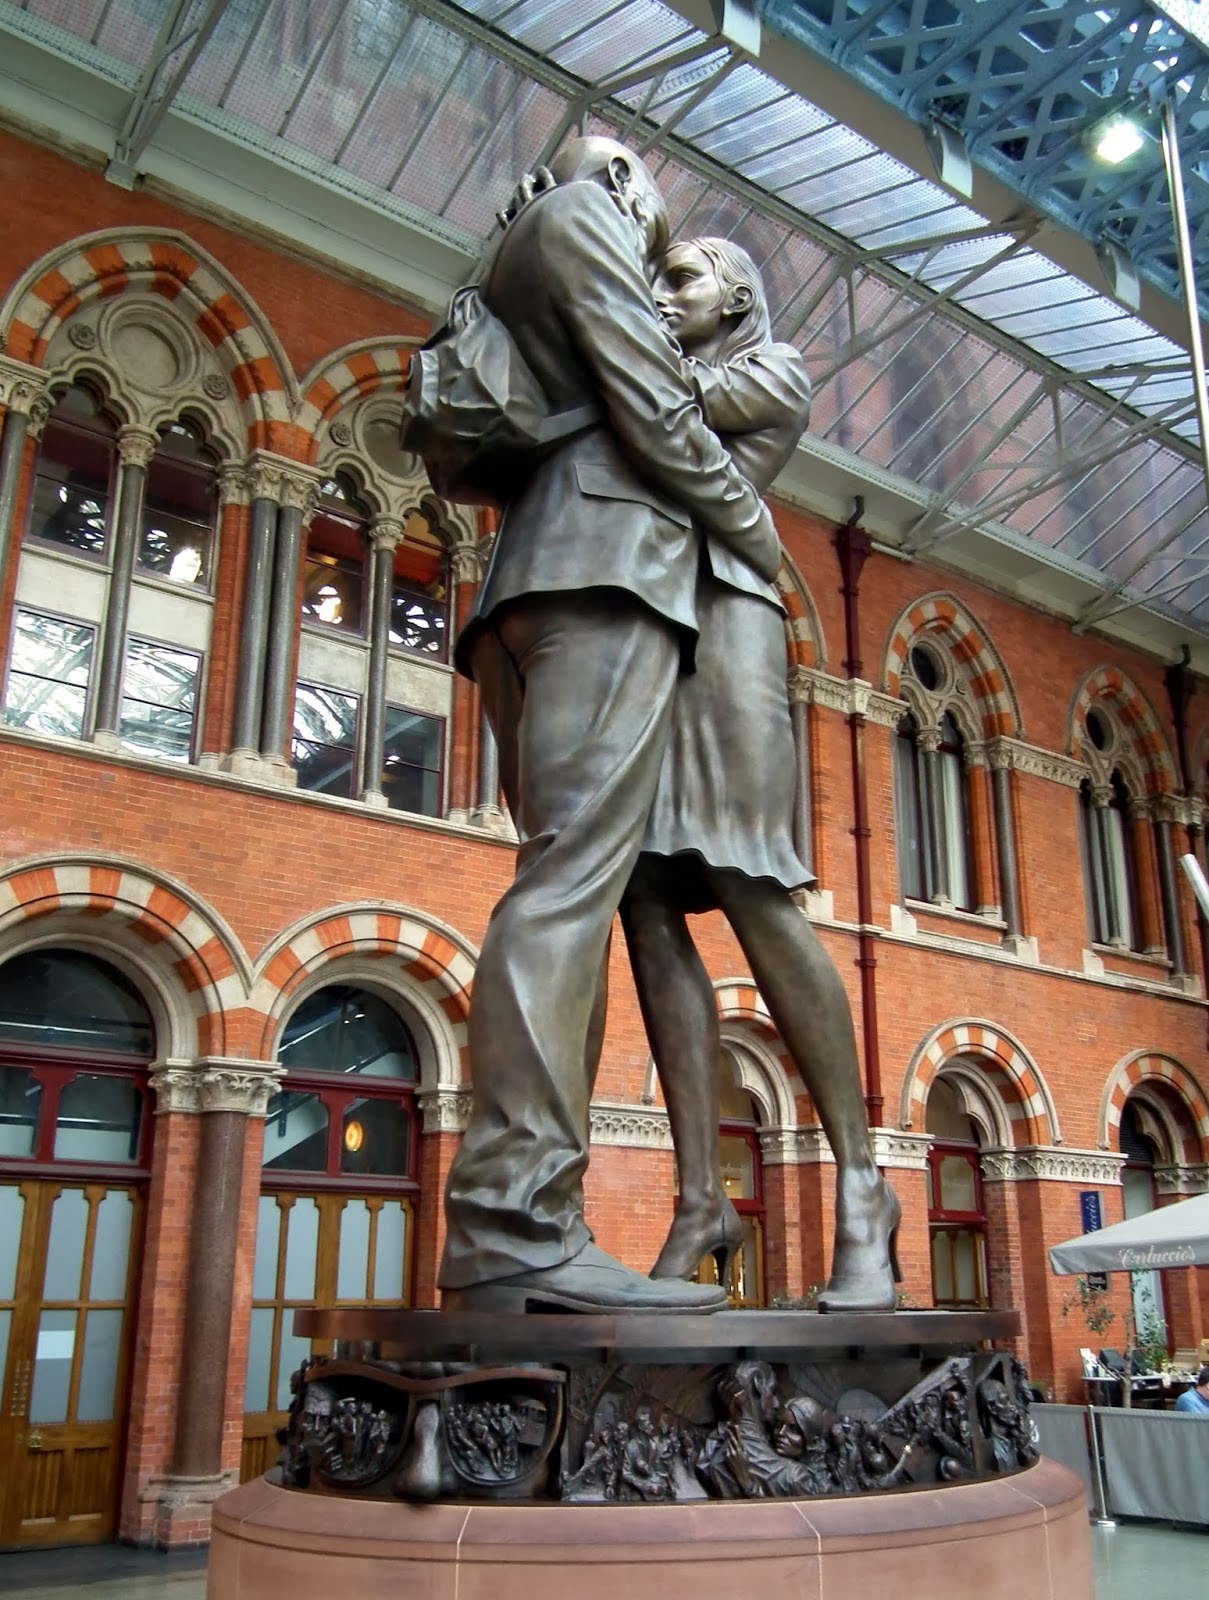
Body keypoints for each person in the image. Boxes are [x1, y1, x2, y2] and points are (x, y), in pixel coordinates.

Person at [436, 138, 779, 1314]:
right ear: (626, 185)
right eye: (660, 221)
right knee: (569, 888)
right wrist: (756, 534)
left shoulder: (505, 255)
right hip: (604, 576)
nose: (658, 244)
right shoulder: (585, 219)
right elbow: (657, 413)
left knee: (557, 883)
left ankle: (521, 1218)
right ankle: (517, 1223)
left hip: (529, 590)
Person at [616, 237, 900, 1311]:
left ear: (736, 297)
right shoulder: (664, 357)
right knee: (641, 894)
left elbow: (656, 407)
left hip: (728, 624)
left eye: (680, 279)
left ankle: (864, 1187)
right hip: (643, 624)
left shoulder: (771, 369)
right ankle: (700, 1197)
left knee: (748, 882)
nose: (660, 294)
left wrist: (595, 309)